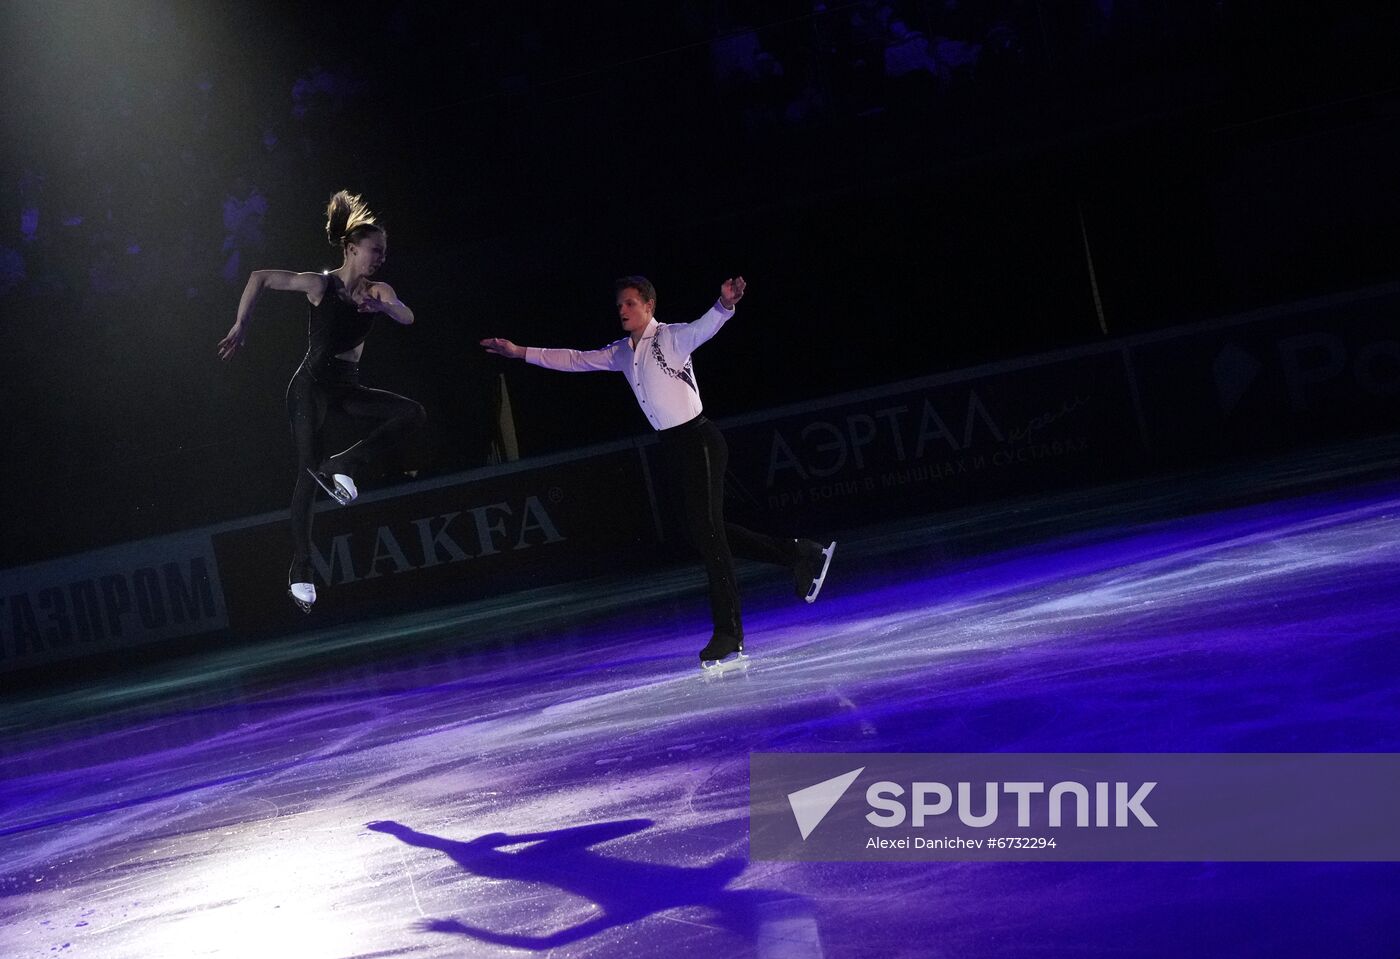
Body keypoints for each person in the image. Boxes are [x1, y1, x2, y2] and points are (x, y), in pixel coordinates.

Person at [481, 275, 835, 668]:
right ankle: (798, 553)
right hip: (674, 447)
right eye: (619, 305)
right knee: (702, 531)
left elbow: (706, 327)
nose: (622, 310)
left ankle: (729, 633)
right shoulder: (621, 352)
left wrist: (724, 303)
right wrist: (520, 352)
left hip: (700, 441)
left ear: (649, 305)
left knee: (709, 535)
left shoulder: (671, 338)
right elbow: (575, 359)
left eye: (630, 303)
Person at [218, 190, 426, 613]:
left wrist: (383, 308)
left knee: (413, 413)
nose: (380, 258)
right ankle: (301, 568)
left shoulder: (378, 290)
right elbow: (259, 276)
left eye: (384, 252)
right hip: (309, 388)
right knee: (305, 472)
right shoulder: (320, 284)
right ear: (351, 249)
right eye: (374, 251)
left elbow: (407, 314)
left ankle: (344, 462)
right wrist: (241, 324)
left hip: (346, 388)